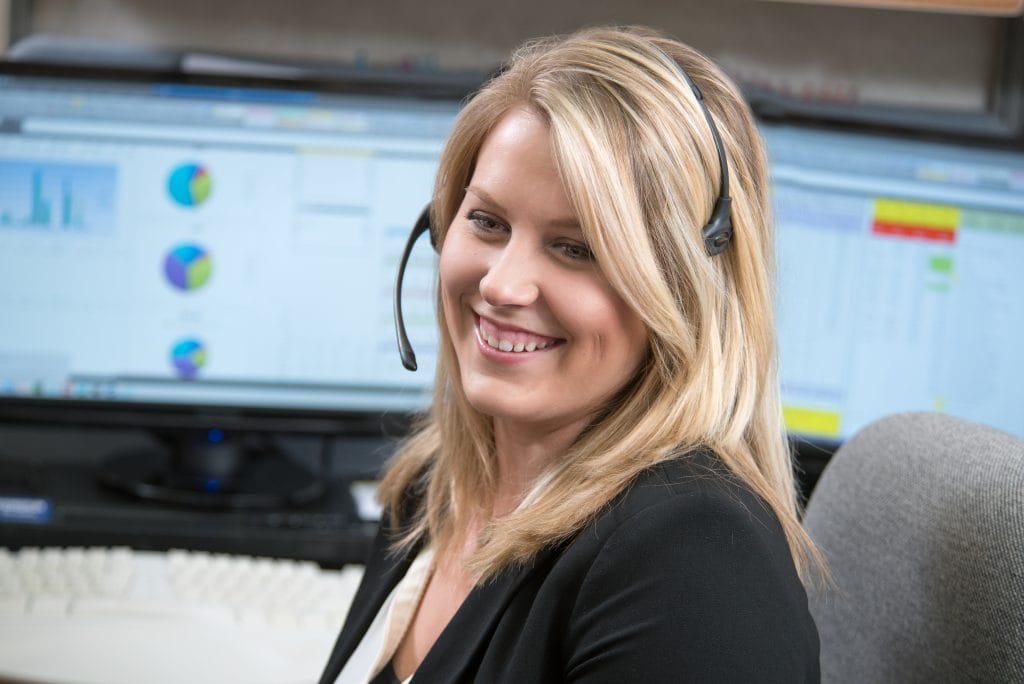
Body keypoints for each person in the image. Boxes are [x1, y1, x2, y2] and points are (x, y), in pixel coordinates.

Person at [319, 25, 821, 684]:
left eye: (576, 248)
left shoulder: (692, 561)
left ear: (681, 295)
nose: (500, 284)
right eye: (487, 222)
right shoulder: (435, 487)